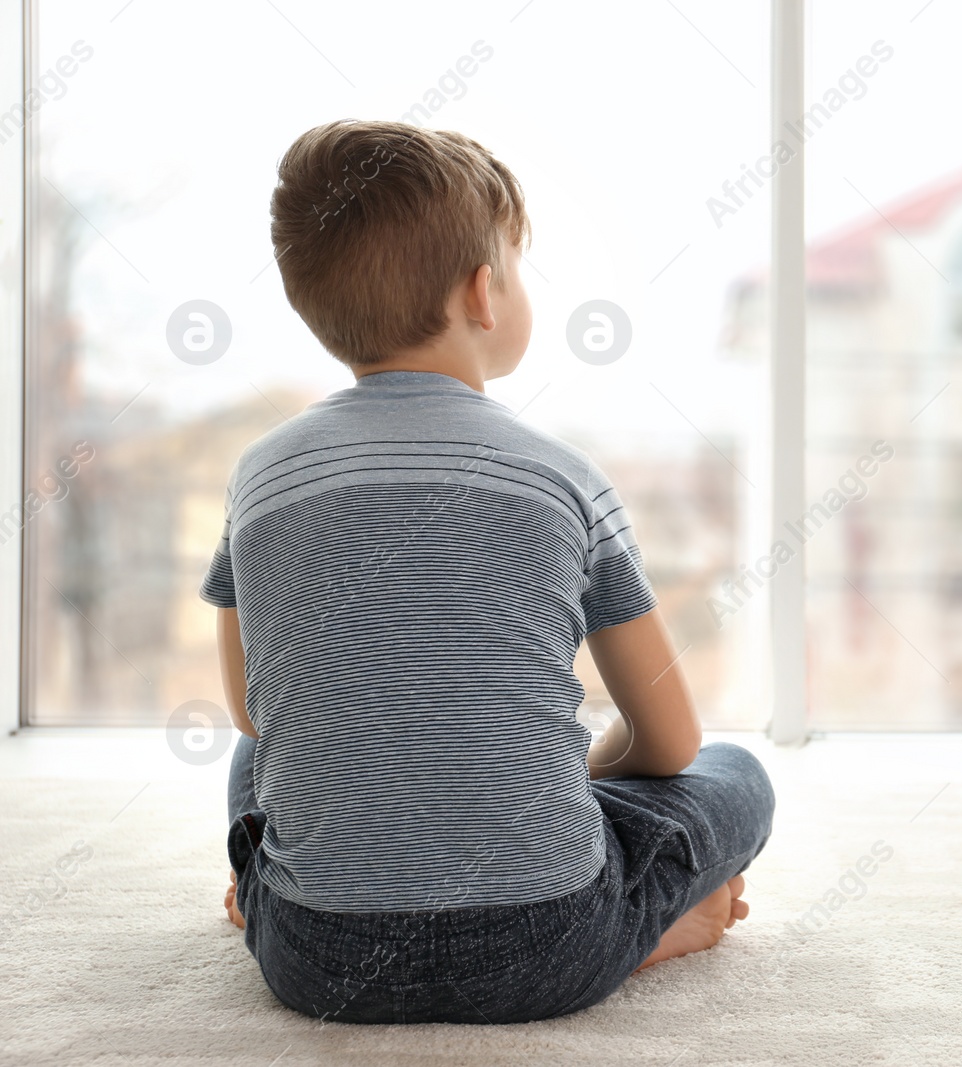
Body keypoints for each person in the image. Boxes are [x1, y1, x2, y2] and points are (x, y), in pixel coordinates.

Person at [201, 119, 774, 1024]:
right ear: (485, 293)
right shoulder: (564, 478)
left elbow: (249, 711)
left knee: (254, 752)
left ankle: (258, 894)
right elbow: (670, 744)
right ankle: (652, 927)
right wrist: (563, 772)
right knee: (738, 773)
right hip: (546, 947)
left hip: (314, 960)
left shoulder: (259, 477)